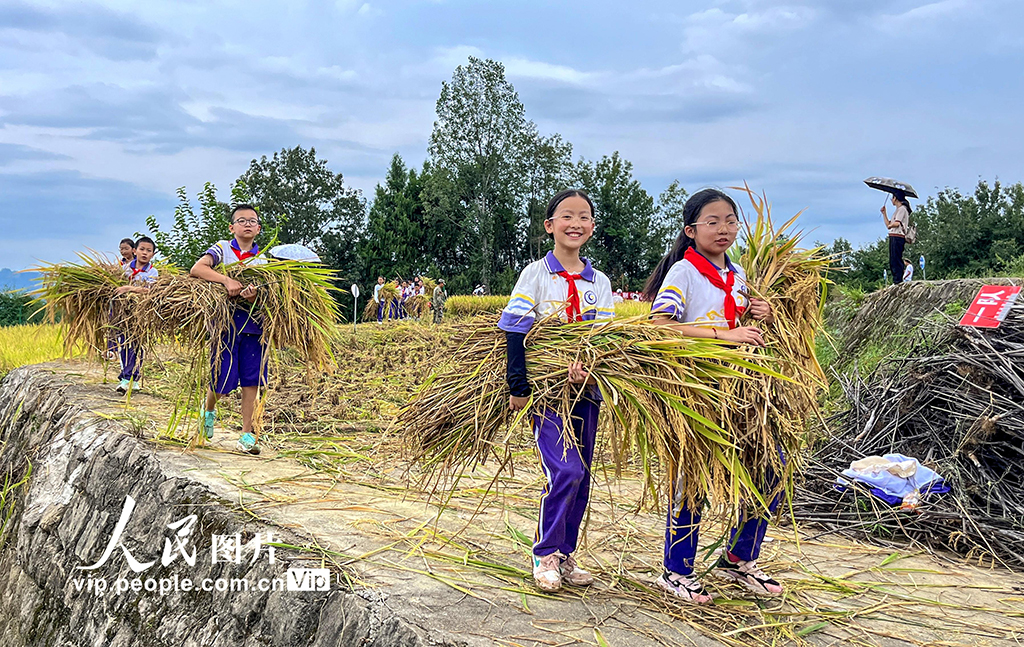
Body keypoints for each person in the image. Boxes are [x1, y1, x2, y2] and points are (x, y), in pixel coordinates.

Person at [641, 188, 782, 604]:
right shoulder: (684, 272)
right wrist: (725, 335)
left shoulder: (738, 275)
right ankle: (676, 571)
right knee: (694, 480)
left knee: (772, 468)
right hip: (696, 391)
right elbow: (659, 325)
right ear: (691, 230)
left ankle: (739, 558)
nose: (724, 229)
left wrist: (761, 313)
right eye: (713, 222)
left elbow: (747, 326)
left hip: (743, 391)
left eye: (730, 221)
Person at [499, 189, 615, 593]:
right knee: (566, 471)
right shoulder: (535, 274)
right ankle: (545, 553)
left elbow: (604, 339)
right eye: (567, 216)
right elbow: (515, 330)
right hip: (546, 394)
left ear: (592, 227)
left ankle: (565, 555)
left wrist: (591, 372)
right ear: (550, 226)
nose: (575, 223)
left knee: (582, 477)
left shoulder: (600, 282)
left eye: (584, 216)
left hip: (586, 393)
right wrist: (518, 385)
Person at [190, 204, 267, 455]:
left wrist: (254, 297)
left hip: (254, 326)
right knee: (223, 378)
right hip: (225, 324)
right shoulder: (222, 249)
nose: (247, 224)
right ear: (232, 227)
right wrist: (226, 280)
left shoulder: (263, 260)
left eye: (252, 221)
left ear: (258, 228)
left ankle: (247, 434)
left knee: (252, 380)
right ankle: (208, 410)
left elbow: (269, 297)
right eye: (241, 220)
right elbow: (197, 269)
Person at [113, 236, 158, 394]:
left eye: (149, 251)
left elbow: (151, 291)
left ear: (153, 254)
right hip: (124, 313)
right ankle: (126, 378)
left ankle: (134, 379)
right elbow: (116, 287)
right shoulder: (125, 269)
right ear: (135, 251)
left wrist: (129, 289)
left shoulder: (152, 271)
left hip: (142, 314)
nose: (145, 253)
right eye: (142, 249)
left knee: (139, 346)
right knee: (125, 344)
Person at [882, 191, 912, 285]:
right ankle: (896, 279)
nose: (892, 200)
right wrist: (884, 213)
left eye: (893, 198)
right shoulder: (897, 210)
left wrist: (891, 225)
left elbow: (896, 223)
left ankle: (898, 280)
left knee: (896, 259)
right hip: (893, 235)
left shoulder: (902, 209)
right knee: (893, 259)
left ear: (896, 198)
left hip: (898, 236)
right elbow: (889, 224)